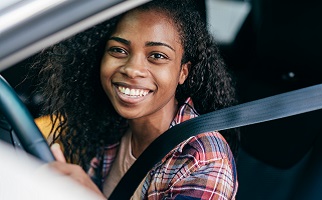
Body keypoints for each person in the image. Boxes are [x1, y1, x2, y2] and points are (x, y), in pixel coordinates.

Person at [33, 0, 239, 199]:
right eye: (119, 50)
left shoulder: (204, 159)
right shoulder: (107, 124)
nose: (132, 69)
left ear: (183, 72)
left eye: (157, 56)